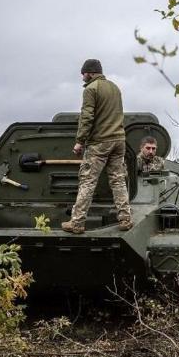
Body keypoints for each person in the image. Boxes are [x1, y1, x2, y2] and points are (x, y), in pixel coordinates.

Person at [62, 59, 133, 234]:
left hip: (100, 143)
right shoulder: (115, 88)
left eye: (83, 73)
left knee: (88, 181)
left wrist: (80, 141)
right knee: (118, 180)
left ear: (90, 72)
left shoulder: (90, 89)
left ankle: (77, 223)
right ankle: (125, 219)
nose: (82, 76)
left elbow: (87, 117)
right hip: (119, 140)